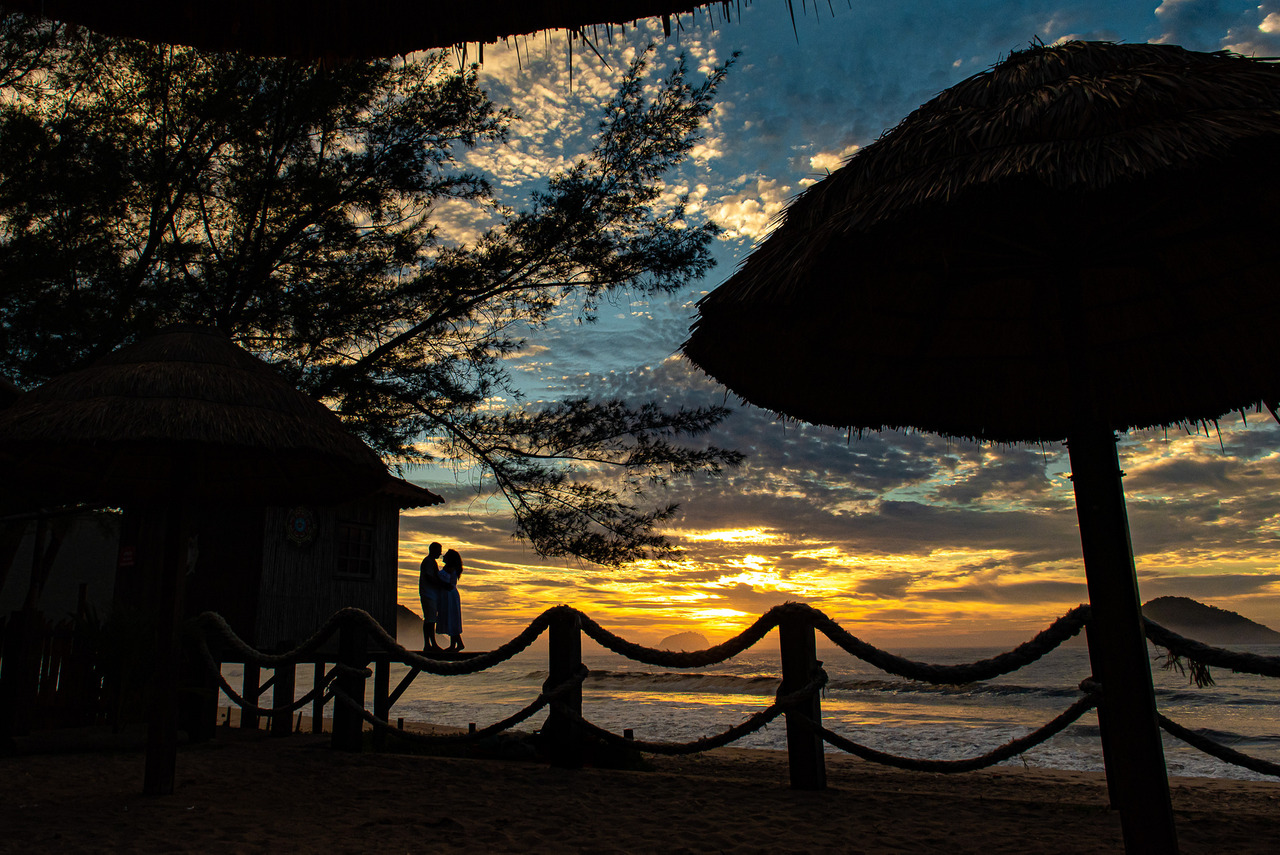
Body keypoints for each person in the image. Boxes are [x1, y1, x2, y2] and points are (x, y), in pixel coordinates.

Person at [437, 548, 465, 652]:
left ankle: (456, 644)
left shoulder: (450, 568)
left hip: (450, 596)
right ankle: (454, 645)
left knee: (452, 618)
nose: (443, 556)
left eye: (445, 555)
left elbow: (447, 584)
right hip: (448, 595)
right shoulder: (448, 568)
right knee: (451, 618)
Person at [418, 542, 444, 651]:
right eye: (439, 551)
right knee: (430, 619)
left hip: (430, 593)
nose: (440, 553)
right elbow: (429, 577)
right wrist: (441, 584)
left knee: (429, 619)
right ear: (433, 550)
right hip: (428, 593)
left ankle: (429, 644)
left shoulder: (430, 561)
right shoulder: (428, 562)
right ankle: (431, 644)